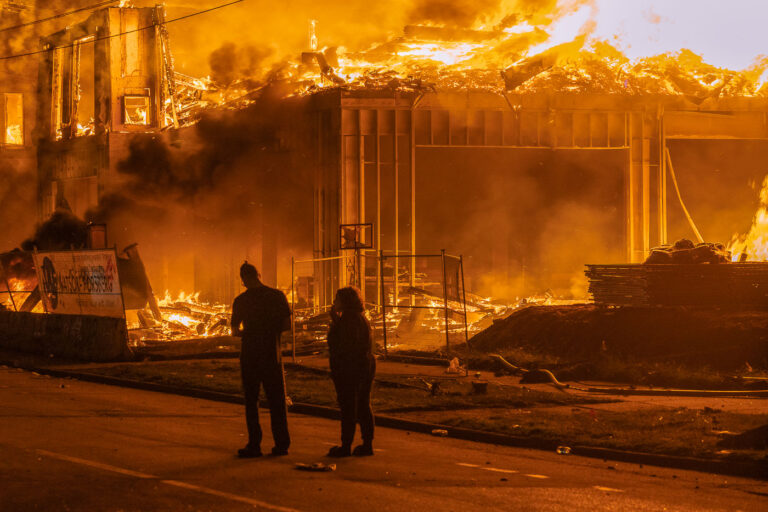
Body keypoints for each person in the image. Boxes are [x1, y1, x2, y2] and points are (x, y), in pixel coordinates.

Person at [231, 262, 291, 458]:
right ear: (258, 274)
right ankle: (281, 444)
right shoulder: (277, 296)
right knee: (277, 401)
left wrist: (248, 333)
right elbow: (286, 324)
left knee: (251, 401)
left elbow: (235, 330)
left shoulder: (241, 301)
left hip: (250, 355)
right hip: (272, 354)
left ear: (243, 279)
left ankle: (254, 445)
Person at [326, 287, 376, 457]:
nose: (334, 303)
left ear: (345, 302)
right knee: (362, 404)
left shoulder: (349, 320)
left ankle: (346, 446)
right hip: (363, 366)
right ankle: (367, 443)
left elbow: (340, 344)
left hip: (350, 368)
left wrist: (335, 325)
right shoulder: (359, 318)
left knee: (349, 406)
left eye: (337, 299)